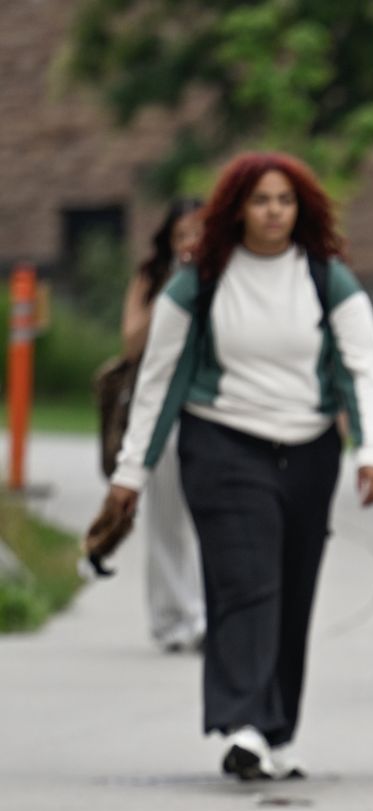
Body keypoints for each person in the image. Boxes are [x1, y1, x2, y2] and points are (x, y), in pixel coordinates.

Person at [101, 152, 373, 781]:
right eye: (260, 200)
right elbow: (157, 380)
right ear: (235, 209)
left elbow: (366, 365)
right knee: (245, 581)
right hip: (223, 443)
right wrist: (130, 473)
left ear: (301, 208)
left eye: (284, 200)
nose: (273, 212)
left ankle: (278, 728)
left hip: (309, 448)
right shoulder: (200, 278)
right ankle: (244, 724)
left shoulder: (325, 276)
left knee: (292, 588)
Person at [117, 197, 206, 653]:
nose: (192, 242)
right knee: (168, 518)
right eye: (182, 235)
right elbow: (132, 344)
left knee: (211, 517)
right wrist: (172, 291)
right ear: (169, 241)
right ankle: (173, 620)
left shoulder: (224, 277)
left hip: (211, 408)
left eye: (199, 233)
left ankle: (205, 615)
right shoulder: (154, 278)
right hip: (163, 412)